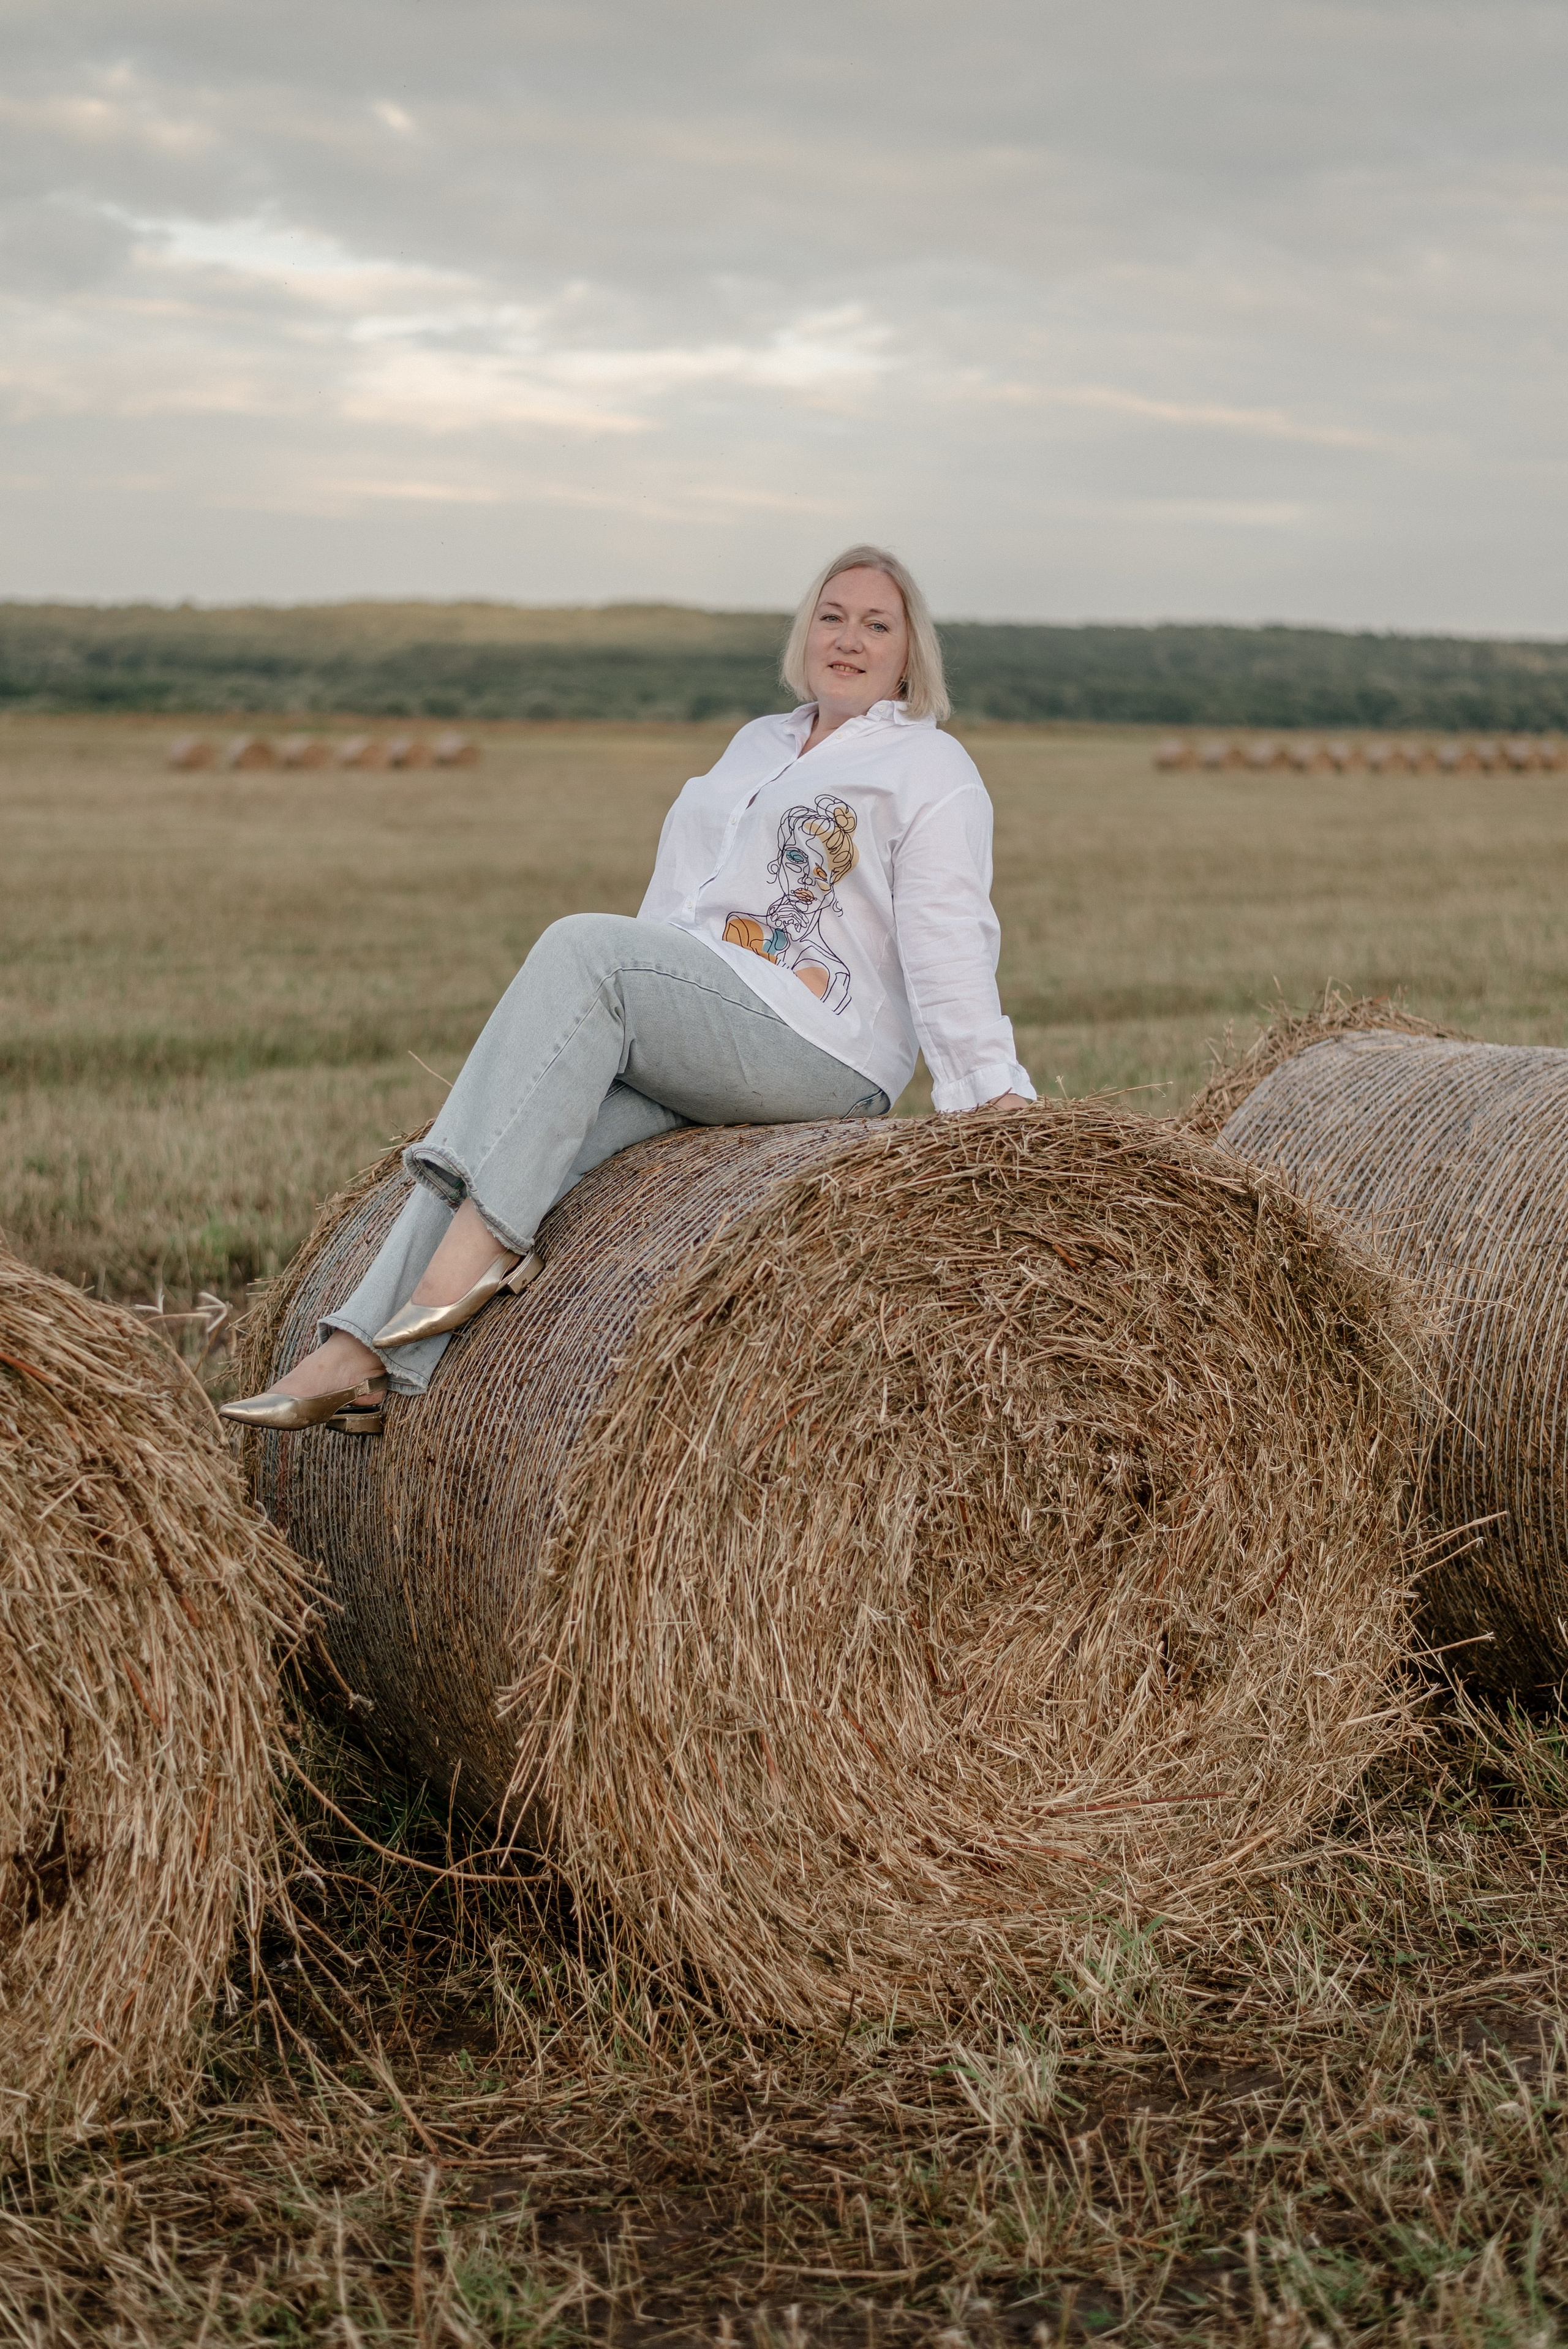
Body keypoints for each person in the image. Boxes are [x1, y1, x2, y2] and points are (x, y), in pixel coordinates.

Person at [222, 545, 1035, 1435]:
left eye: (877, 625)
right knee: (518, 1123)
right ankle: (361, 1355)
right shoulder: (758, 742)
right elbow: (678, 907)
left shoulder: (930, 767)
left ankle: (477, 1257)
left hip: (822, 1047)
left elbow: (948, 935)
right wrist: (621, 1026)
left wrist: (989, 1096)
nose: (848, 639)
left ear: (910, 656)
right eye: (832, 617)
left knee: (588, 950)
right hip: (710, 1020)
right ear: (805, 633)